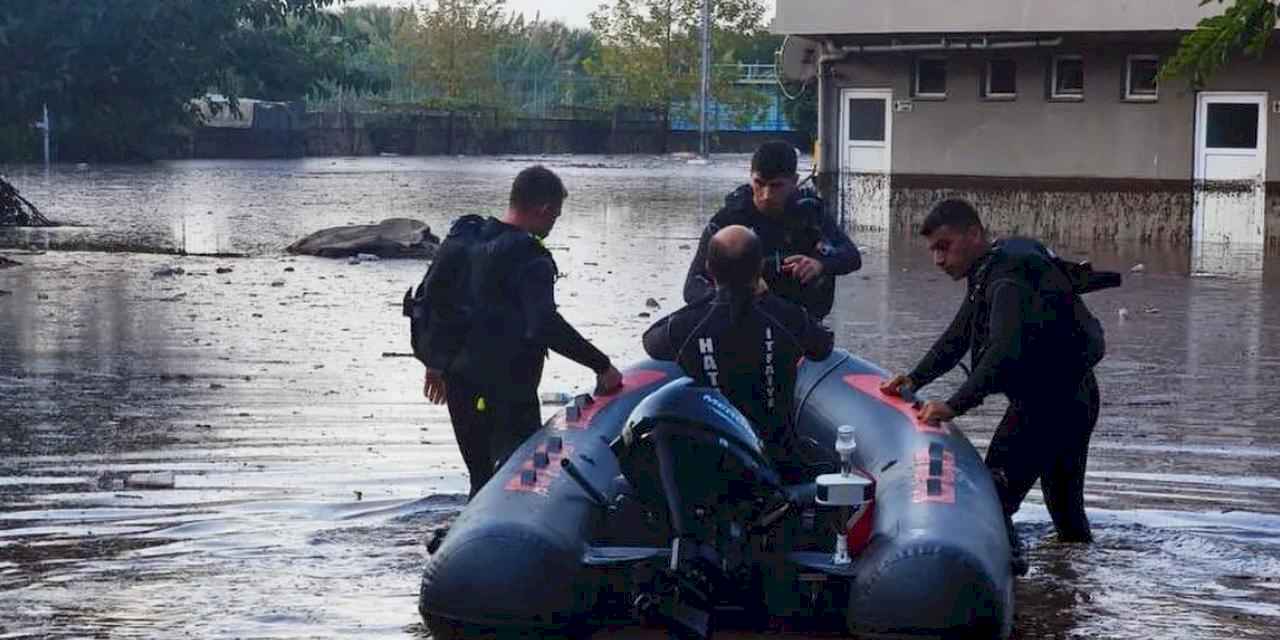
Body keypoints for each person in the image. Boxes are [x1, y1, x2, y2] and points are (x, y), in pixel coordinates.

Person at [879, 198, 1109, 572]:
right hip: (1075, 397)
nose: (938, 259)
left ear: (973, 234)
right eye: (933, 250)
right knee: (1067, 519)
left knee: (993, 498)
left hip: (1049, 406)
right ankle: (1068, 595)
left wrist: (955, 404)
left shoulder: (1008, 278)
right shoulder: (991, 268)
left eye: (944, 246)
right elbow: (960, 334)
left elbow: (1004, 350)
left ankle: (1010, 582)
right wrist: (915, 377)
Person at [416, 165, 624, 498]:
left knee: (480, 478)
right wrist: (601, 364)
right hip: (508, 390)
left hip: (458, 384)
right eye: (554, 217)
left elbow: (433, 302)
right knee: (517, 480)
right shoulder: (530, 257)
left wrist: (434, 363)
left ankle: (468, 541)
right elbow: (544, 324)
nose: (552, 225)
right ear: (543, 210)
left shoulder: (465, 237)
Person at [645, 224, 834, 468]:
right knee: (827, 462)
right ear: (759, 268)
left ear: (710, 270)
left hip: (707, 460)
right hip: (778, 458)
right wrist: (768, 299)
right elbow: (823, 347)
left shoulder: (688, 324)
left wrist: (709, 299)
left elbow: (651, 342)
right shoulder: (787, 318)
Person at [683, 140, 861, 320]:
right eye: (759, 183)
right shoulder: (728, 220)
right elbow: (692, 287)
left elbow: (852, 256)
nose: (766, 195)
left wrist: (820, 264)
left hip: (801, 325)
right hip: (745, 323)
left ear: (794, 181)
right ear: (750, 177)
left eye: (776, 186)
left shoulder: (811, 213)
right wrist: (735, 292)